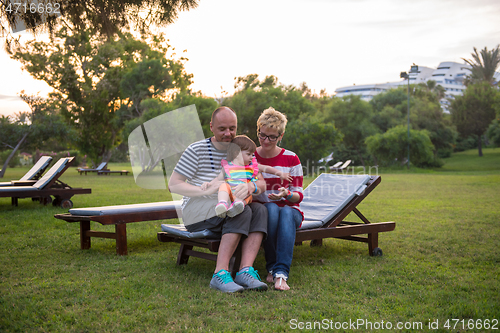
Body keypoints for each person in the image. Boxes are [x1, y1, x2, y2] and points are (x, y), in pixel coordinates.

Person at [168, 106, 269, 293]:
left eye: (232, 128)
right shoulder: (196, 150)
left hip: (230, 204)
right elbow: (174, 184)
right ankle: (220, 274)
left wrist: (251, 186)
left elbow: (261, 182)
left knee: (261, 210)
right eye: (222, 129)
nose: (228, 133)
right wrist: (203, 190)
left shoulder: (241, 148)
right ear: (211, 127)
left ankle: (245, 271)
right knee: (242, 210)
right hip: (197, 211)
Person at [253, 106, 304, 291]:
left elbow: (298, 195)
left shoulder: (291, 159)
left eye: (272, 137)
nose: (266, 141)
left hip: (290, 211)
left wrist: (287, 194)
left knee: (285, 212)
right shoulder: (251, 157)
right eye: (262, 135)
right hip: (265, 210)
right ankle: (273, 267)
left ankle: (280, 273)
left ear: (280, 136)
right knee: (272, 209)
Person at [201, 135, 292, 219]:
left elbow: (266, 168)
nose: (252, 157)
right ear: (237, 153)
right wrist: (209, 184)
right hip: (229, 194)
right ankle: (222, 204)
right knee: (223, 186)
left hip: (243, 194)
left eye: (252, 154)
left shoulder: (252, 166)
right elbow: (218, 179)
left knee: (248, 194)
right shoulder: (227, 166)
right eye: (249, 154)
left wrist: (280, 173)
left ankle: (239, 205)